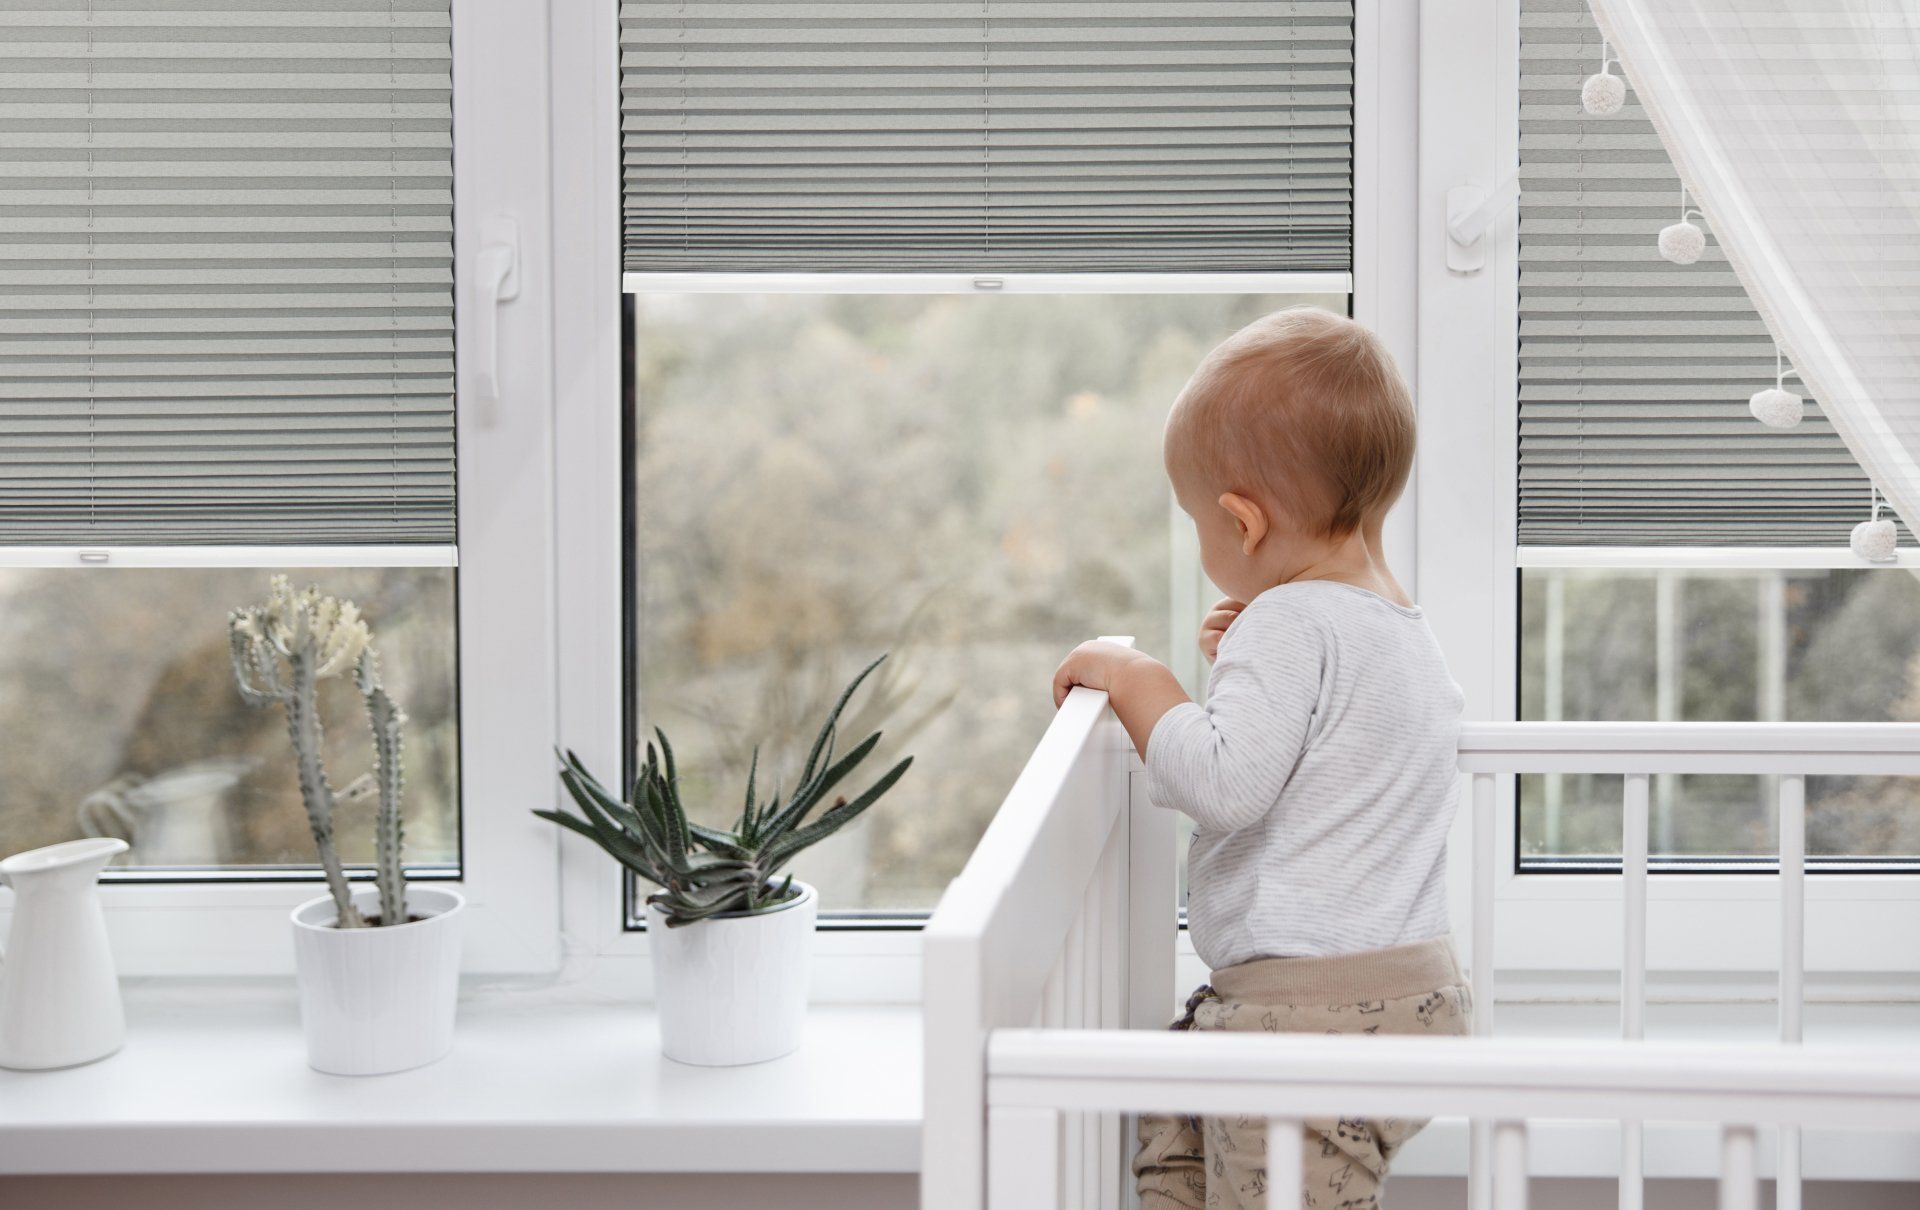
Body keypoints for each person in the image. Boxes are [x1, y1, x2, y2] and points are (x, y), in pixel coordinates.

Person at [1052, 306, 1471, 1210]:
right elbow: (1325, 749)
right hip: (1410, 997)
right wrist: (1240, 670)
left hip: (1307, 1013)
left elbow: (1225, 783)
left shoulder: (1288, 621)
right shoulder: (1397, 627)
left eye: (1197, 523)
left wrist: (1139, 679)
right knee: (1185, 1131)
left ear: (1242, 523)